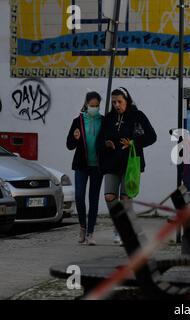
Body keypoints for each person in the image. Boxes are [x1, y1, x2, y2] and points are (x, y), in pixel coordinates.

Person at [97, 87, 157, 245]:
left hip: (130, 163)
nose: (117, 105)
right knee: (109, 197)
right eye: (114, 102)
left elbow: (152, 136)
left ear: (127, 101)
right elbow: (99, 140)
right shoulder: (109, 118)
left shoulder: (137, 116)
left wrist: (133, 142)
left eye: (120, 102)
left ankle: (124, 231)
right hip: (111, 163)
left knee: (125, 198)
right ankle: (118, 224)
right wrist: (105, 143)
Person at [66, 91, 104, 245]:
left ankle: (90, 233)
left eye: (97, 106)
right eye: (91, 105)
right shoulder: (78, 121)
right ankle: (82, 226)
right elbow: (69, 145)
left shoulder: (103, 121)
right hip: (81, 165)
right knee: (79, 197)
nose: (94, 108)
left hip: (97, 166)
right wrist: (75, 138)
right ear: (86, 104)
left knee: (93, 199)